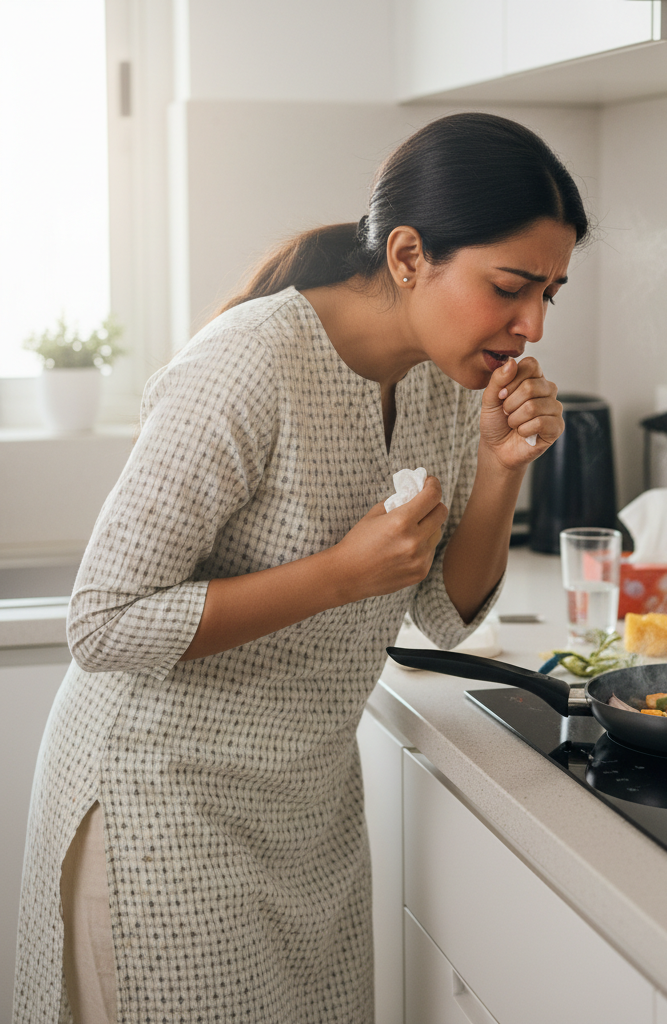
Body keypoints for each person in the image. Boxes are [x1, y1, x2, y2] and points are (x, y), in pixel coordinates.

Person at [13, 111, 589, 1024]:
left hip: (305, 811)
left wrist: (499, 472)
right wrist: (340, 575)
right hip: (162, 806)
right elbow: (102, 623)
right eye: (511, 287)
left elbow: (444, 615)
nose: (532, 325)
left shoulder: (445, 377)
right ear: (409, 257)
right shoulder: (251, 361)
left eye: (550, 292)